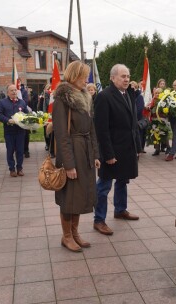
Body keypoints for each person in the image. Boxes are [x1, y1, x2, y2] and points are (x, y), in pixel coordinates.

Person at [52, 61, 100, 252]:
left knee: (80, 196)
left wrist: (95, 154)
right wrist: (69, 165)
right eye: (83, 76)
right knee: (69, 197)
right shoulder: (62, 100)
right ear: (74, 76)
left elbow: (92, 129)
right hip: (72, 152)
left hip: (86, 152)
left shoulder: (85, 97)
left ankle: (75, 233)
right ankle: (67, 236)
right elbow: (61, 135)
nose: (86, 80)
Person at [94, 64, 142, 235]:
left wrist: (137, 147)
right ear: (112, 78)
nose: (127, 79)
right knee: (104, 186)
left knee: (123, 181)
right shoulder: (104, 97)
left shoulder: (128, 94)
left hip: (127, 149)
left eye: (128, 76)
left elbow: (133, 124)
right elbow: (102, 129)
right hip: (112, 151)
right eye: (123, 76)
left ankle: (120, 210)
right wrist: (108, 154)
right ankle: (99, 220)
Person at [0, 84, 28, 177]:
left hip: (20, 131)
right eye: (12, 90)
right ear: (7, 92)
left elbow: (27, 113)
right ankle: (12, 169)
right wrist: (7, 120)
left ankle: (20, 168)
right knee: (10, 150)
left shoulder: (22, 102)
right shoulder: (2, 102)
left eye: (15, 90)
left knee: (20, 151)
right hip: (9, 131)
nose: (14, 92)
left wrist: (29, 119)